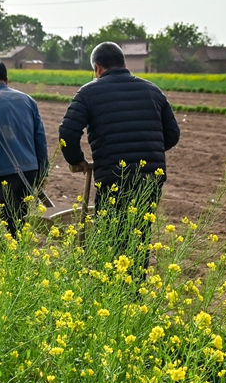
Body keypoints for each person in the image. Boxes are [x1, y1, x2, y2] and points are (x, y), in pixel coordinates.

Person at [58, 42, 180, 274]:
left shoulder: (88, 92)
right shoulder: (153, 91)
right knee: (139, 235)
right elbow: (173, 134)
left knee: (110, 237)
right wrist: (147, 153)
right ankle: (135, 286)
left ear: (97, 68)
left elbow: (67, 132)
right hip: (150, 179)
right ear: (124, 64)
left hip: (114, 176)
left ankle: (112, 286)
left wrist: (77, 160)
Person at [0, 59, 49, 238]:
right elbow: (40, 138)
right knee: (21, 221)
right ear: (7, 80)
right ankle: (20, 252)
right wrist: (42, 173)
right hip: (30, 171)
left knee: (9, 228)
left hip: (3, 174)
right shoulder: (28, 100)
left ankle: (15, 255)